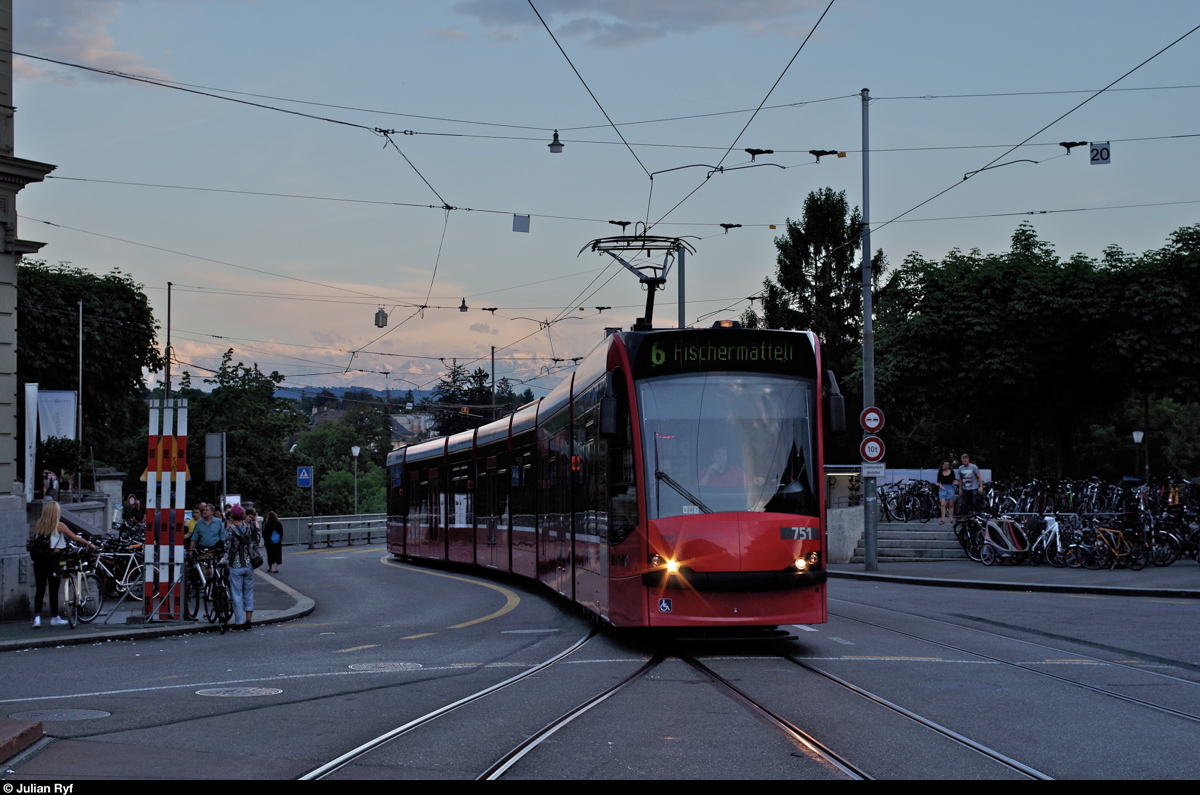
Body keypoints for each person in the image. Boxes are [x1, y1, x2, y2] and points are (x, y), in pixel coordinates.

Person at [28, 499, 96, 628]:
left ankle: (37, 618)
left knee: (40, 589)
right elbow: (74, 538)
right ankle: (55, 617)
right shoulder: (59, 525)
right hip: (54, 559)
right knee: (54, 588)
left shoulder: (39, 525)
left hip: (39, 560)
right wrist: (88, 544)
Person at [223, 504, 259, 630]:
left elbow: (227, 548)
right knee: (248, 593)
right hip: (248, 564)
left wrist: (223, 561)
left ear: (232, 515)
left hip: (235, 565)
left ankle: (239, 622)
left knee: (237, 595)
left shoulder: (230, 529)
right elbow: (254, 542)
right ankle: (249, 621)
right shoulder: (248, 528)